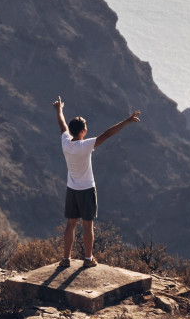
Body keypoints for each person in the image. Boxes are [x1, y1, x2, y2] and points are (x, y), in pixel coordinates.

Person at [53, 97, 140, 266]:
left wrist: (59, 110)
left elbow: (62, 125)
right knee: (87, 226)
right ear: (83, 131)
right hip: (86, 190)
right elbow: (107, 134)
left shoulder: (65, 143)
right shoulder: (85, 146)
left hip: (71, 189)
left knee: (70, 224)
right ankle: (88, 259)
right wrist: (127, 121)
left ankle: (65, 259)